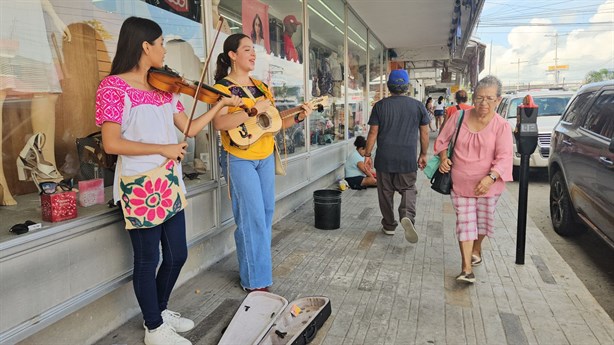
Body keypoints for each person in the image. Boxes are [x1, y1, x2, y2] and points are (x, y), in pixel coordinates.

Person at [96, 17, 241, 345]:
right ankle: (153, 326)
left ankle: (160, 312)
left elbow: (188, 128)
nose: (165, 50)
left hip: (169, 182)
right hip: (139, 185)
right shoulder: (113, 87)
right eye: (161, 44)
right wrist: (163, 147)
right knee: (148, 259)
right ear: (145, 46)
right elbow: (111, 143)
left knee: (177, 255)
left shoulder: (163, 88)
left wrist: (218, 102)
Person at [212, 33, 312, 292]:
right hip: (238, 158)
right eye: (247, 49)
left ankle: (256, 272)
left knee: (265, 215)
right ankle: (256, 282)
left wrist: (299, 116)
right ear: (232, 55)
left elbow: (274, 124)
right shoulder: (222, 88)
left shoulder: (261, 87)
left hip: (265, 156)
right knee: (251, 218)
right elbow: (219, 123)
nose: (253, 54)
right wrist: (251, 108)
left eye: (253, 49)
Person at [434, 75, 513, 284]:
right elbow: (442, 141)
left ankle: (477, 248)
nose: (483, 103)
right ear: (473, 98)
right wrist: (443, 158)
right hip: (461, 183)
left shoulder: (502, 126)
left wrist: (491, 177)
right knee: (465, 223)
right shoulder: (459, 117)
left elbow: (505, 157)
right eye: (479, 98)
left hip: (488, 185)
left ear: (498, 100)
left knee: (483, 222)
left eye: (489, 98)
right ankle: (466, 268)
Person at [364, 69, 430, 243]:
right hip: (407, 158)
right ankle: (407, 215)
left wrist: (367, 154)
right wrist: (423, 154)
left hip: (384, 158)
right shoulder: (418, 106)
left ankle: (389, 225)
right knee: (408, 188)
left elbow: (373, 132)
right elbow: (424, 133)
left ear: (388, 86)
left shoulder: (380, 106)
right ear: (407, 86)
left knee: (385, 193)